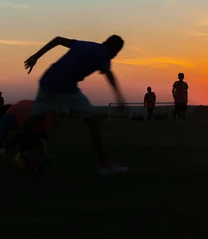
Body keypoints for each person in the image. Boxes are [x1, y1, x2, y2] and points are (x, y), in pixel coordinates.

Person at [18, 35, 129, 176]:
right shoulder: (103, 54)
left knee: (35, 120)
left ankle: (11, 148)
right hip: (65, 88)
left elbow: (58, 39)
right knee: (92, 120)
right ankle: (105, 164)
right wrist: (120, 97)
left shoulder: (88, 45)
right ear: (115, 50)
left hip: (47, 82)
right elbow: (109, 74)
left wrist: (36, 56)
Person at [0, 99, 56, 171]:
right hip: (45, 117)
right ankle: (41, 162)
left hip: (32, 121)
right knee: (36, 144)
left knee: (23, 150)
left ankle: (41, 160)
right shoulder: (18, 107)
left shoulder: (8, 115)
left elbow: (1, 139)